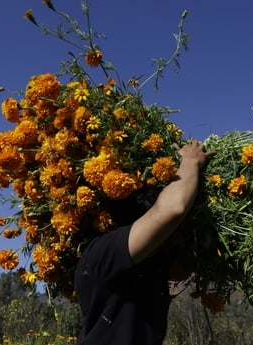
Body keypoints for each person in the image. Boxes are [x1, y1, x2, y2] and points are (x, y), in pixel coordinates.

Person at [74, 140, 214, 345]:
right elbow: (171, 209)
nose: (162, 236)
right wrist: (190, 161)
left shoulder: (151, 265)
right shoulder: (101, 254)